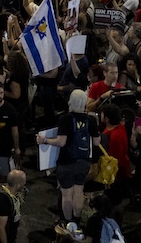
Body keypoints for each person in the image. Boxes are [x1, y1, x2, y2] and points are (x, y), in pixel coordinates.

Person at [36, 90, 100, 226]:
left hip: (67, 161)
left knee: (66, 194)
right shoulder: (91, 120)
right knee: (78, 192)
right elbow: (96, 142)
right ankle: (77, 221)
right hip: (84, 161)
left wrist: (45, 140)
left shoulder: (65, 118)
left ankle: (67, 222)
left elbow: (61, 142)